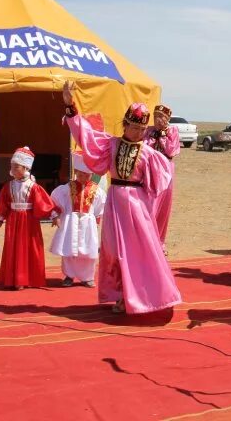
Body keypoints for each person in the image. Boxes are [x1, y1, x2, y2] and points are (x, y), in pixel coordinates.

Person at [61, 81, 181, 315]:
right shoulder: (111, 144)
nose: (137, 133)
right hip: (115, 202)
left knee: (137, 251)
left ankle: (138, 296)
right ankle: (120, 293)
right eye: (133, 127)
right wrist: (70, 107)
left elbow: (160, 184)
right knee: (114, 250)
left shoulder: (149, 153)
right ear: (124, 125)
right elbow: (87, 136)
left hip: (137, 207)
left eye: (140, 129)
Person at [0, 147, 59, 289]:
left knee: (28, 247)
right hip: (13, 220)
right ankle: (13, 279)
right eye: (12, 165)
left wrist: (54, 216)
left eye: (16, 166)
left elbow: (44, 202)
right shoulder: (8, 186)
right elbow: (4, 205)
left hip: (29, 222)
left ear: (25, 167)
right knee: (13, 248)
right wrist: (0, 220)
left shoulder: (33, 187)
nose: (13, 169)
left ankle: (25, 279)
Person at [49, 152, 106, 287]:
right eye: (80, 174)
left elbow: (100, 207)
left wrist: (96, 220)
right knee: (69, 249)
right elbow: (55, 202)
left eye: (86, 175)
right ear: (75, 172)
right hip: (70, 221)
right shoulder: (67, 188)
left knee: (88, 249)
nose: (83, 177)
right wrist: (55, 216)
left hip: (88, 223)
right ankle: (69, 275)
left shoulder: (97, 190)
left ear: (92, 174)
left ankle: (87, 277)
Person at [142, 104, 180, 254]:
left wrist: (163, 136)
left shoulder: (173, 131)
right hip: (150, 170)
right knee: (150, 205)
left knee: (163, 208)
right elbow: (144, 147)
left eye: (161, 117)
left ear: (167, 119)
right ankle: (146, 240)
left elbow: (171, 151)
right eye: (156, 116)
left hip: (165, 170)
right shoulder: (148, 131)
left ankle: (159, 242)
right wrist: (152, 139)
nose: (158, 120)